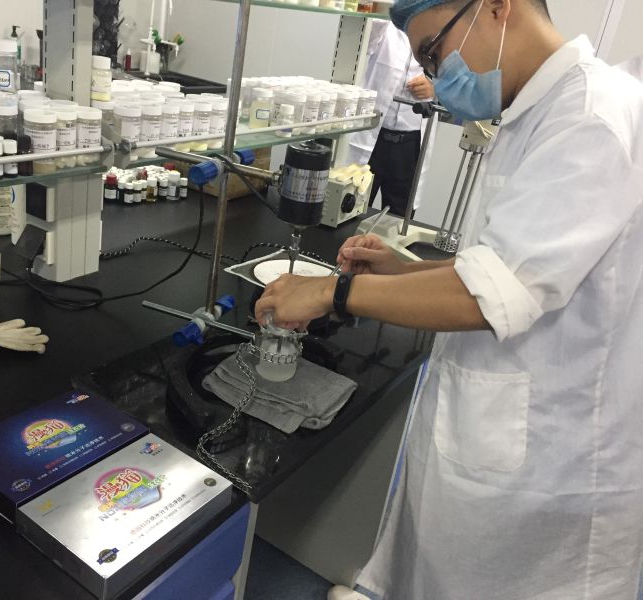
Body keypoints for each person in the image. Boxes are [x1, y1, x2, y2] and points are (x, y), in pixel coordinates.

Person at [255, 0, 643, 598]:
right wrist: (402, 271)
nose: (436, 78)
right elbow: (504, 265)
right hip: (512, 426)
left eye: (433, 52)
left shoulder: (587, 117)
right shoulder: (537, 109)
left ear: (496, 7)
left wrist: (334, 292)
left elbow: (489, 296)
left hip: (554, 456)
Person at [348, 20, 436, 218]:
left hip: (409, 145)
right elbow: (364, 39)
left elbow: (456, 74)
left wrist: (435, 87)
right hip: (373, 139)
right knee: (352, 207)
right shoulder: (385, 27)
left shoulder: (440, 32)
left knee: (399, 217)